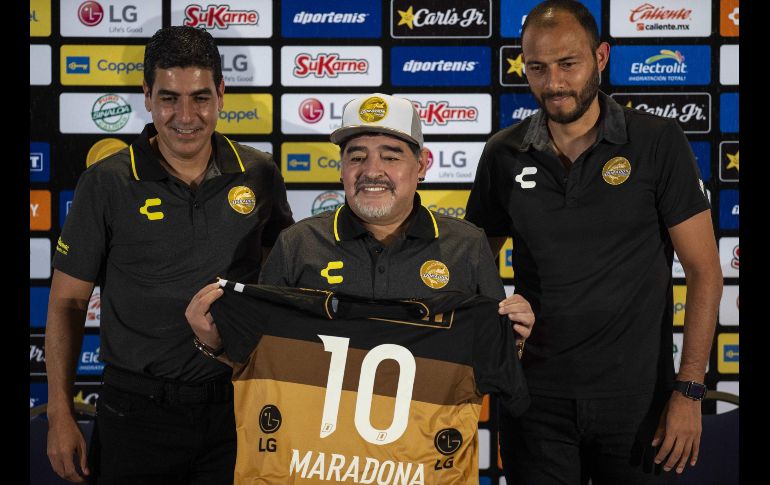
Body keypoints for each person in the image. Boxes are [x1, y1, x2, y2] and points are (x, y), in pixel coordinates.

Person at [464, 1, 723, 483]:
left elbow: (705, 270)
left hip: (639, 403)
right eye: (537, 68)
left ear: (600, 57)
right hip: (533, 403)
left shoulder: (657, 141)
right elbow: (471, 268)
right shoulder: (503, 153)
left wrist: (689, 391)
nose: (554, 83)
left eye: (568, 64)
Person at [44, 26, 293, 484]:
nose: (186, 116)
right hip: (134, 414)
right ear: (146, 95)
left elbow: (283, 284)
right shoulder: (106, 182)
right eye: (168, 98)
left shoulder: (259, 172)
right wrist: (60, 413)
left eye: (200, 98)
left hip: (236, 407)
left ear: (221, 93)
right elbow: (68, 301)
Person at [186, 92, 534, 360]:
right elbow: (263, 359)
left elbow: (493, 358)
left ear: (422, 165)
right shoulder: (297, 244)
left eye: (391, 156)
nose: (371, 171)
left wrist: (515, 339)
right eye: (357, 156)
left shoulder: (468, 245)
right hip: (318, 435)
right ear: (341, 168)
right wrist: (214, 344)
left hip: (430, 434)